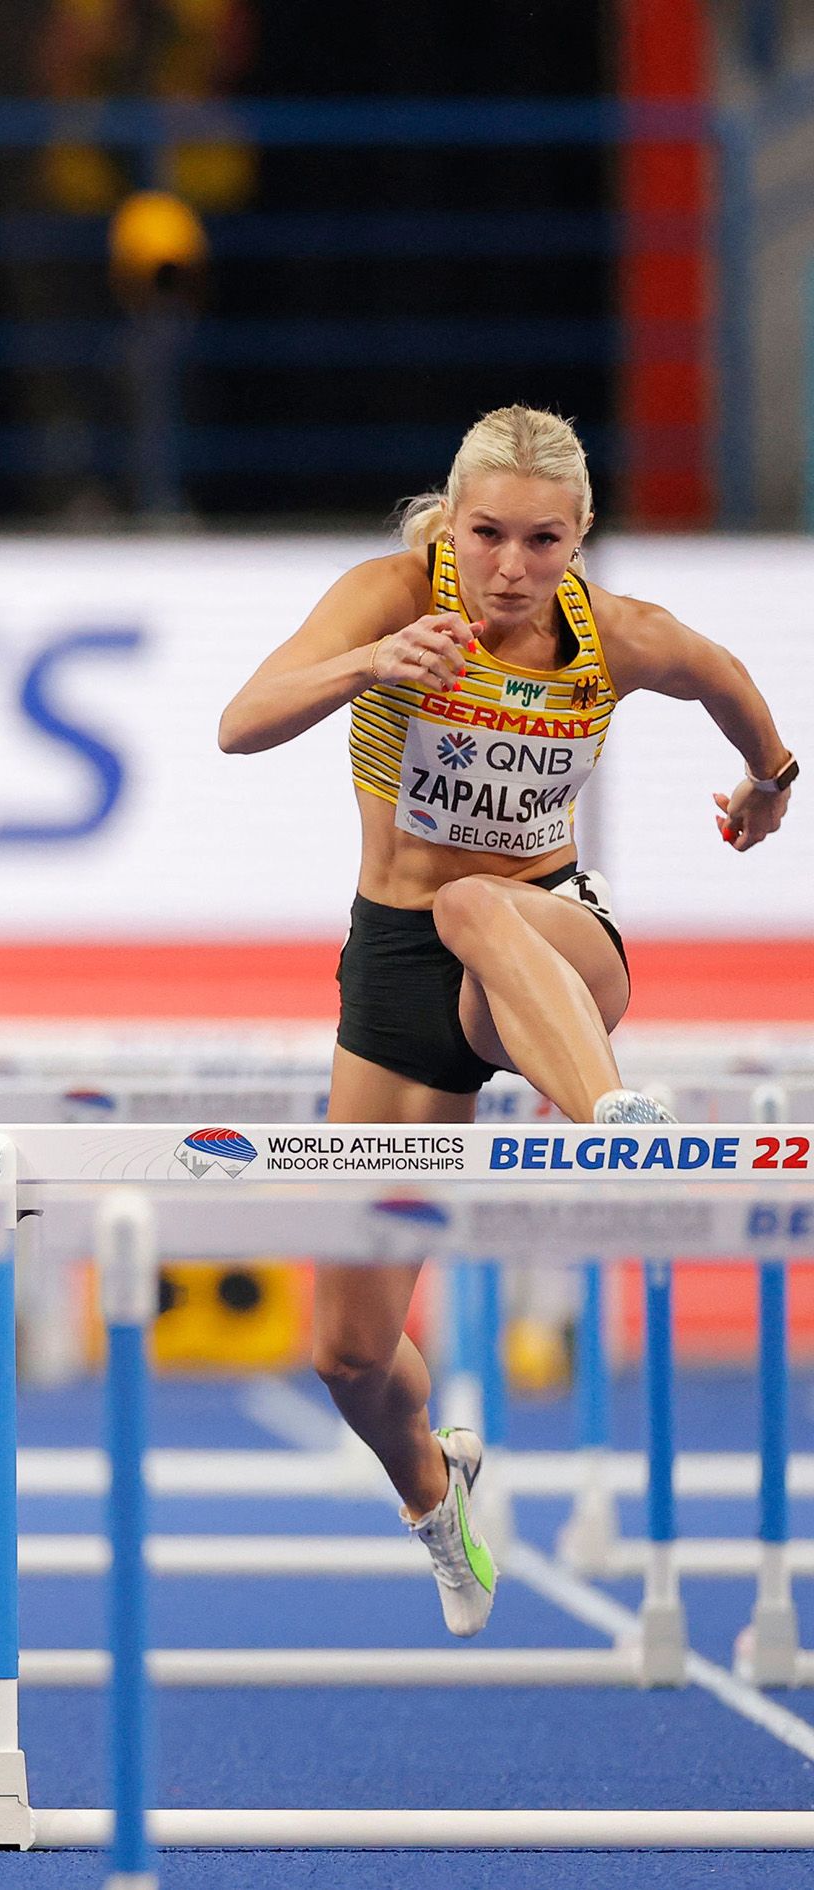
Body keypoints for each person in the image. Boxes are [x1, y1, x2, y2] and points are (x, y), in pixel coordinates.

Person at [219, 405, 795, 1634]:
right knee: (347, 1356)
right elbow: (240, 722)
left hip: (554, 944)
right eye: (486, 535)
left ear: (579, 538)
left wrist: (767, 784)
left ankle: (611, 1120)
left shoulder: (613, 637)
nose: (510, 569)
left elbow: (724, 681)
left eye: (542, 543)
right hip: (395, 963)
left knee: (481, 901)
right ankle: (437, 1496)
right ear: (450, 521)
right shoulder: (386, 599)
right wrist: (367, 666)